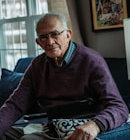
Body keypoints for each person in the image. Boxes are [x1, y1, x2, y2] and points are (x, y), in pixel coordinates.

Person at [0, 12, 129, 140]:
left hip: (80, 129)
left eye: (55, 34)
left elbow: (119, 107)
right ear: (38, 42)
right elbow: (15, 105)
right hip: (52, 127)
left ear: (68, 34)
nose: (50, 42)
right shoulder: (37, 66)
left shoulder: (91, 60)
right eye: (43, 37)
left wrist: (95, 125)